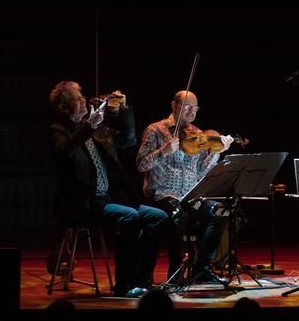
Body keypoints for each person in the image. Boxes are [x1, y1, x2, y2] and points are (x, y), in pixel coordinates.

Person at [48, 81, 168, 297]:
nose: (83, 99)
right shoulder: (59, 130)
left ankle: (142, 278)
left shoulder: (96, 129)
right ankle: (125, 285)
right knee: (130, 216)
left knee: (158, 216)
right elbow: (65, 151)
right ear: (65, 108)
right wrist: (89, 127)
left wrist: (124, 112)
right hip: (84, 205)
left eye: (82, 95)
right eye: (77, 98)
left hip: (109, 199)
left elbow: (128, 140)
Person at [136, 90, 233, 283]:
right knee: (177, 212)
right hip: (162, 196)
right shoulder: (155, 130)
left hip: (190, 197)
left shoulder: (197, 134)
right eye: (187, 106)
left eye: (195, 108)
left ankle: (202, 267)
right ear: (174, 106)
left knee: (221, 211)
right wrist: (164, 151)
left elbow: (200, 173)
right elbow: (141, 164)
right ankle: (175, 272)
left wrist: (216, 152)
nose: (192, 111)